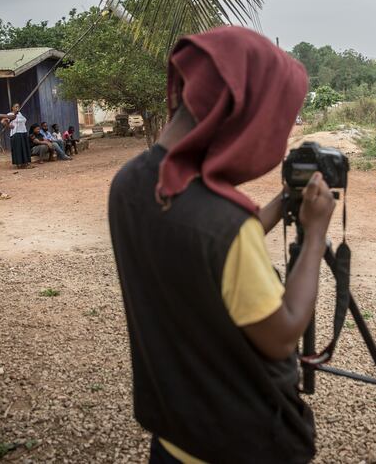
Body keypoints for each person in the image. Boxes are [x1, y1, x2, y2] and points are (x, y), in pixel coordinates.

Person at [108, 26, 335, 463]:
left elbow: (201, 251)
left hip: (175, 438)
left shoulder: (130, 183)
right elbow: (284, 334)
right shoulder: (225, 226)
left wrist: (279, 206)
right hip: (242, 444)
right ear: (243, 114)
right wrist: (316, 235)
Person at [8, 104, 32, 169]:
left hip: (23, 132)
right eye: (16, 107)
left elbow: (24, 120)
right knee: (18, 149)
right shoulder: (9, 114)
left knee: (24, 148)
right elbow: (4, 122)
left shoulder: (20, 114)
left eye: (18, 107)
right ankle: (19, 164)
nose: (17, 108)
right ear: (12, 108)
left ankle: (26, 163)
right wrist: (9, 126)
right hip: (16, 133)